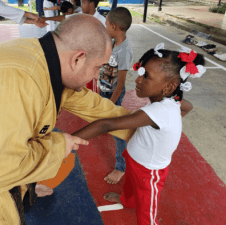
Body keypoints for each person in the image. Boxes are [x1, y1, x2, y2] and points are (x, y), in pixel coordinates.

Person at [0, 14, 135, 225]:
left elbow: (96, 108)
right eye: (97, 68)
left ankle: (26, 189)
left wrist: (141, 126)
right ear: (78, 59)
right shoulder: (16, 79)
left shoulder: (46, 60)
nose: (96, 77)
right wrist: (58, 145)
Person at [72, 43, 206, 224]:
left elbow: (107, 125)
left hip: (150, 172)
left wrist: (71, 139)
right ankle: (126, 200)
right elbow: (187, 106)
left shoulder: (160, 111)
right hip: (136, 159)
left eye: (146, 77)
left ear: (169, 87)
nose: (138, 79)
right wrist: (173, 114)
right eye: (141, 72)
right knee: (130, 186)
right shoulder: (168, 102)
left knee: (146, 211)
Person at [97, 7, 134, 184]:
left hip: (114, 94)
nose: (105, 28)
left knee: (118, 131)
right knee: (107, 122)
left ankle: (121, 166)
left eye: (106, 25)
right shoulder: (112, 43)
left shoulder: (124, 51)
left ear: (113, 26)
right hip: (105, 90)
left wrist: (111, 103)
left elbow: (120, 84)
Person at [40, 0, 105, 26]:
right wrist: (46, 18)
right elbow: (64, 18)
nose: (81, 6)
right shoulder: (79, 14)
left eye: (83, 3)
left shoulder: (102, 21)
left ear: (91, 4)